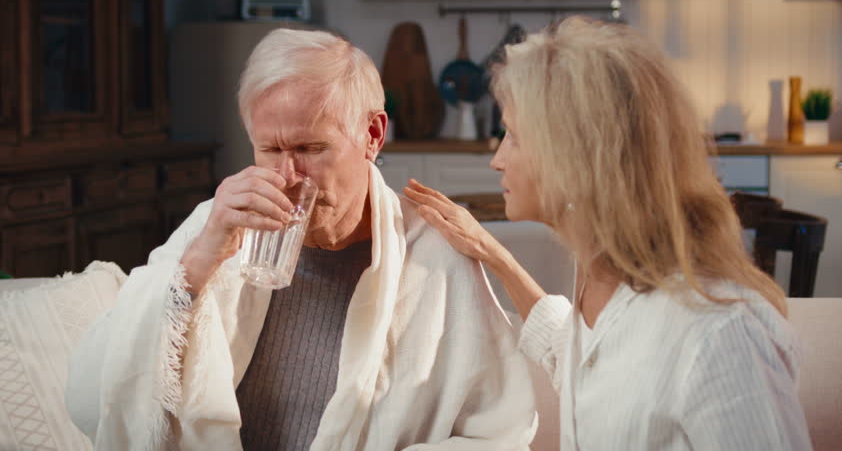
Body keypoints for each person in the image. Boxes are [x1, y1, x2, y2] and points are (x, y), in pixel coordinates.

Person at [65, 28, 537, 450]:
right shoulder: (214, 225)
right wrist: (199, 262)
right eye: (269, 149)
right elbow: (93, 396)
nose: (288, 176)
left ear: (373, 134)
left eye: (310, 148)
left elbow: (502, 432)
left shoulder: (433, 254)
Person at [404, 16, 813, 450]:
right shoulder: (603, 279)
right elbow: (581, 364)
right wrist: (492, 253)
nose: (497, 160)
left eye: (515, 137)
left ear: (576, 159)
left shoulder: (718, 335)